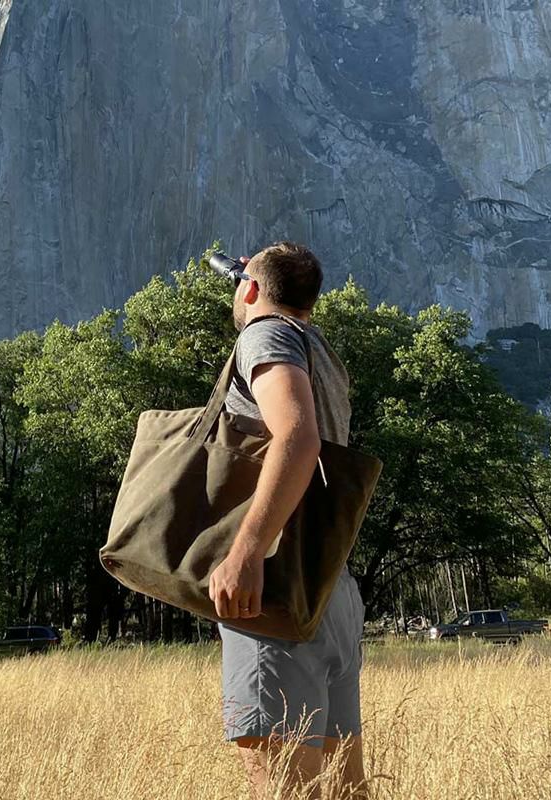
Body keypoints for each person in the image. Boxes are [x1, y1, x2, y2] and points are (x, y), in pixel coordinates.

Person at [208, 241, 367, 799]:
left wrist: (247, 550)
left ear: (249, 289)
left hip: (278, 591)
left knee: (281, 787)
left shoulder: (263, 335)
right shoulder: (320, 350)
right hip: (330, 585)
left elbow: (296, 437)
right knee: (346, 788)